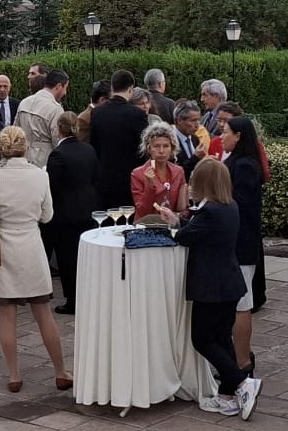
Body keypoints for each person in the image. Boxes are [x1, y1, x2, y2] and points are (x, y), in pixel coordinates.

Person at [0, 126, 69, 393]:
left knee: (7, 316)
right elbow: (47, 216)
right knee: (44, 314)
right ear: (25, 147)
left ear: (1, 148)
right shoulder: (40, 175)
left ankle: (14, 375)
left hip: (2, 250)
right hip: (31, 247)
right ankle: (60, 371)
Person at [174, 157, 255, 417]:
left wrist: (174, 223)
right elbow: (200, 231)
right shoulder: (229, 206)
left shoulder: (209, 211)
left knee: (202, 339)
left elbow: (186, 237)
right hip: (230, 283)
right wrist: (179, 221)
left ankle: (242, 382)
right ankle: (226, 397)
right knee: (221, 338)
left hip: (211, 286)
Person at [220, 115, 268, 367]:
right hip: (237, 240)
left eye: (225, 132)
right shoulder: (237, 161)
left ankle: (242, 360)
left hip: (241, 241)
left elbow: (241, 204)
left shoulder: (245, 165)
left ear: (238, 136)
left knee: (242, 301)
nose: (221, 136)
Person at [45, 111, 98, 315]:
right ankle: (86, 296)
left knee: (67, 259)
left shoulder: (57, 154)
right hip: (87, 209)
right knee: (84, 256)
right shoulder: (88, 150)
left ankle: (72, 300)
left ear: (59, 129)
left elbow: (52, 186)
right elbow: (95, 177)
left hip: (65, 213)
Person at [87, 70, 148, 212]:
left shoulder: (96, 113)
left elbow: (94, 145)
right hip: (129, 179)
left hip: (104, 178)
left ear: (112, 87)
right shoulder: (137, 115)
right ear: (131, 89)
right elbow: (145, 147)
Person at [131, 121, 187, 222]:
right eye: (156, 146)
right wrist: (150, 186)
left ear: (172, 148)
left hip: (171, 224)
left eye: (166, 146)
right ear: (149, 149)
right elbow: (142, 211)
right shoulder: (138, 174)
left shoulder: (178, 171)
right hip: (147, 225)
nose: (161, 151)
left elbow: (183, 210)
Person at [17, 68, 68, 168]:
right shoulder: (55, 109)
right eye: (65, 88)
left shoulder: (24, 102)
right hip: (45, 161)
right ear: (58, 86)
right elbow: (58, 141)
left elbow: (16, 131)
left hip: (23, 159)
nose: (65, 92)